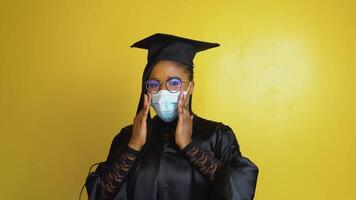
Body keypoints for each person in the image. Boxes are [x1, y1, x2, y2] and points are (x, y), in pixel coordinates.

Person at [83, 33, 259, 200]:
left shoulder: (217, 135)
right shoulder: (128, 137)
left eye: (174, 83)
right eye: (154, 84)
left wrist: (189, 147)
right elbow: (100, 195)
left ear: (190, 87)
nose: (163, 91)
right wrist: (133, 146)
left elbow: (240, 190)